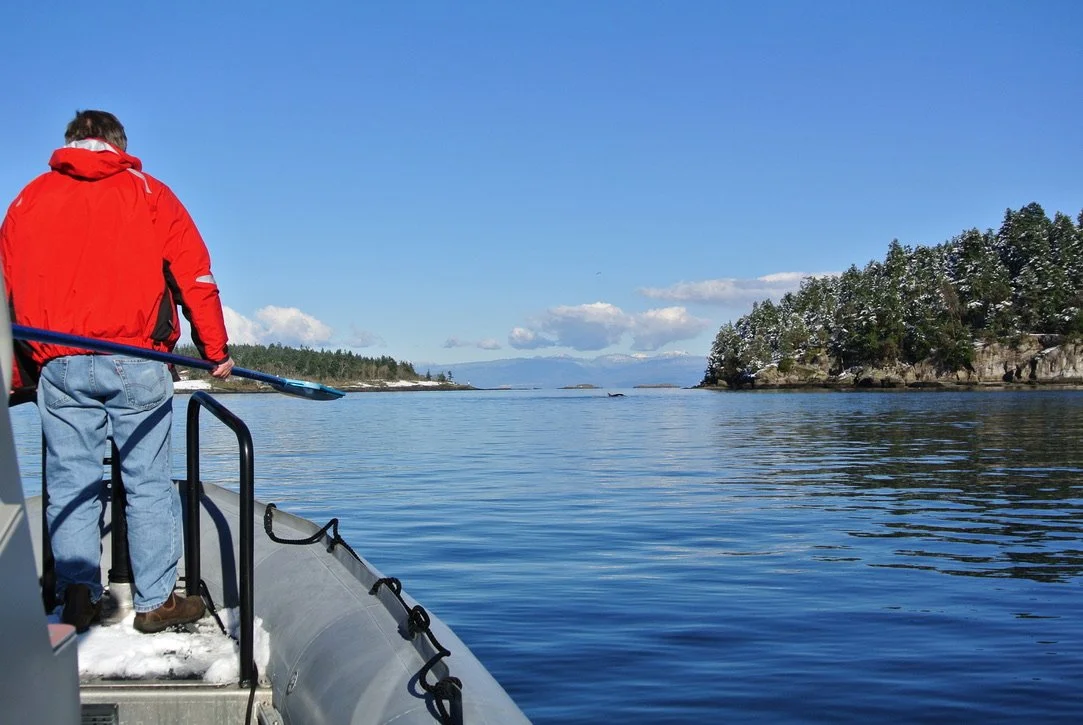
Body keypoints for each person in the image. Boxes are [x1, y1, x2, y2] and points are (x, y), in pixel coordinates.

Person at [0, 110, 235, 633]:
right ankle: (155, 603)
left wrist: (21, 376)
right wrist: (215, 349)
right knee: (147, 482)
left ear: (72, 143)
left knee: (71, 481)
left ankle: (78, 596)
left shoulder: (27, 199)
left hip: (58, 365)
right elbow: (195, 276)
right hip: (138, 361)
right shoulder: (150, 194)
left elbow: (5, 294)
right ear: (117, 145)